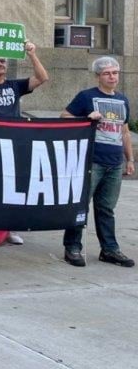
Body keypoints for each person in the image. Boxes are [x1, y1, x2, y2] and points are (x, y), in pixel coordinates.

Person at [0, 41, 50, 245]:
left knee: (12, 185)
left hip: (14, 143)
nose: (0, 63)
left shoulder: (15, 85)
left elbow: (42, 78)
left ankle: (9, 227)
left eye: (3, 61)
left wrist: (32, 54)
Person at [61, 57, 134, 268]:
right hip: (91, 161)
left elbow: (125, 131)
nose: (112, 77)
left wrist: (129, 159)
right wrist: (85, 119)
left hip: (114, 162)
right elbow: (64, 116)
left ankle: (110, 249)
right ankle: (73, 247)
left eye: (115, 73)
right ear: (98, 76)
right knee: (80, 205)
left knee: (107, 208)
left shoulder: (123, 100)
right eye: (107, 73)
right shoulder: (87, 97)